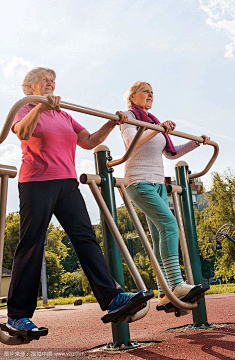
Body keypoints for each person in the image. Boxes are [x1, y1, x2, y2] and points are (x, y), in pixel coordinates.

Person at [6, 68, 153, 334]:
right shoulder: (24, 108)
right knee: (32, 243)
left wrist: (112, 123)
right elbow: (23, 134)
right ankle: (17, 316)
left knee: (86, 238)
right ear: (30, 88)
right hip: (37, 182)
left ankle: (112, 298)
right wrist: (39, 108)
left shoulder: (64, 115)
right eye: (45, 81)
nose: (50, 84)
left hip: (67, 183)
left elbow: (88, 141)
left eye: (53, 81)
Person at [120, 81, 210, 307]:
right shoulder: (129, 117)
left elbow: (172, 153)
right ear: (132, 96)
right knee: (170, 226)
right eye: (145, 92)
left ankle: (164, 293)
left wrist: (196, 143)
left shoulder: (154, 122)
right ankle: (177, 284)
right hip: (139, 182)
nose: (150, 95)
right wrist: (156, 129)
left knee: (161, 235)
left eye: (152, 92)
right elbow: (133, 142)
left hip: (158, 183)